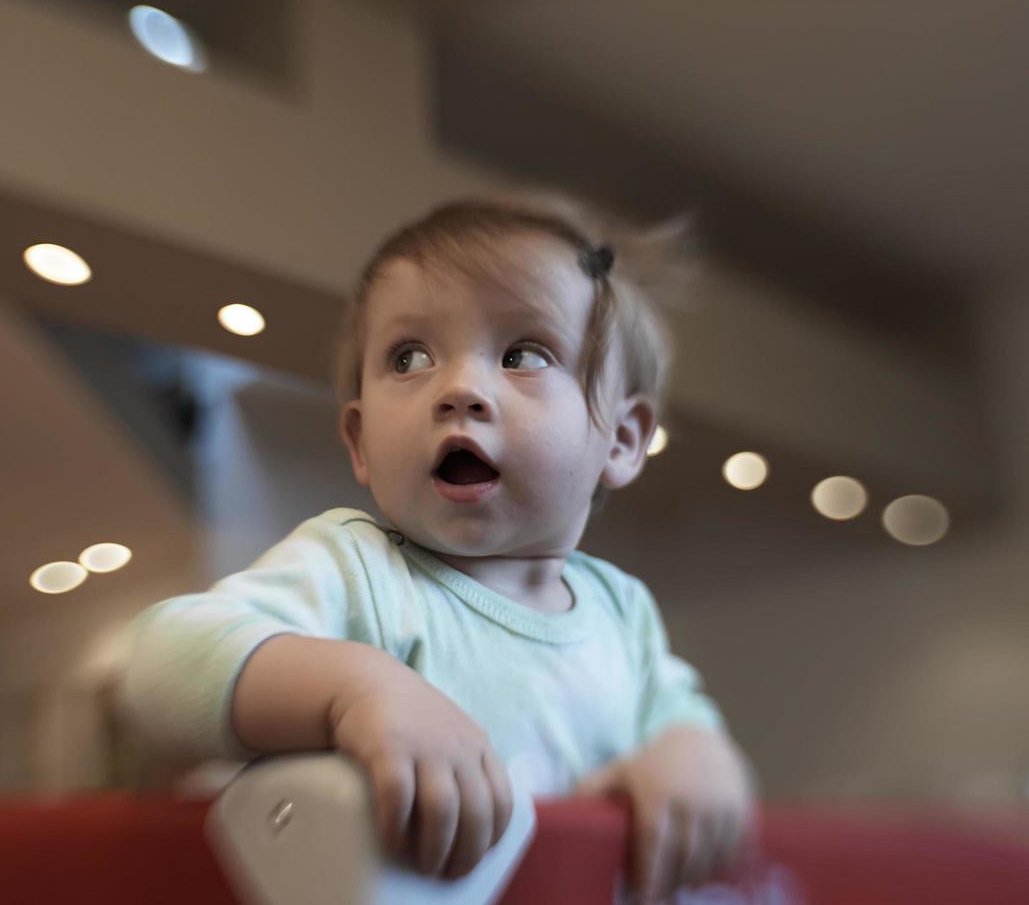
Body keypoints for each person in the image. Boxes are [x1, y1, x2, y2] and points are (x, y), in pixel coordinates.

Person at [120, 192, 756, 903]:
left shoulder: (621, 614)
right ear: (359, 440)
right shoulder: (356, 570)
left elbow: (684, 724)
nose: (459, 388)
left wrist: (695, 758)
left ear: (622, 438)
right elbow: (158, 664)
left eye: (524, 354)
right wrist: (355, 689)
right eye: (410, 356)